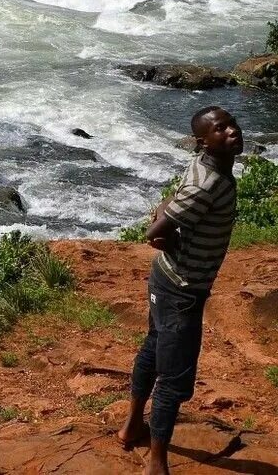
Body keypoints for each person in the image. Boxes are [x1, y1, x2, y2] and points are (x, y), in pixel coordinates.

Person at [117, 106, 242, 475]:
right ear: (205, 141)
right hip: (182, 289)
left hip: (167, 281)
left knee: (153, 350)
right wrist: (169, 239)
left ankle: (131, 426)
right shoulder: (210, 181)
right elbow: (154, 232)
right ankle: (157, 463)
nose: (232, 131)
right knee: (175, 378)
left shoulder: (204, 164)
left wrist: (169, 232)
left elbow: (170, 202)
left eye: (232, 124)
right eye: (221, 129)